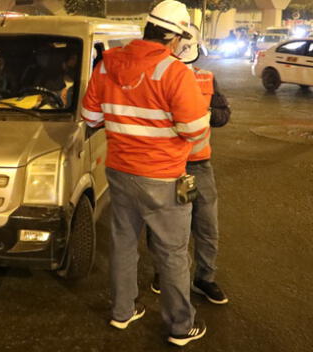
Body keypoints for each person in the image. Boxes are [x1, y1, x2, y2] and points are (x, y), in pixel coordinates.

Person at [81, 0, 210, 346]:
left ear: (147, 29)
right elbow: (196, 133)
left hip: (120, 172)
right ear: (175, 39)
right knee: (171, 253)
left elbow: (91, 119)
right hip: (164, 178)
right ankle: (181, 327)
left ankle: (122, 312)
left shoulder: (107, 66)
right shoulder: (174, 72)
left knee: (123, 243)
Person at [149, 24, 231, 305]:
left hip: (198, 166)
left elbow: (223, 114)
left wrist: (203, 114)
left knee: (206, 225)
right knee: (169, 226)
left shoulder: (207, 78)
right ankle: (165, 272)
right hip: (169, 166)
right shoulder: (157, 79)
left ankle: (204, 278)